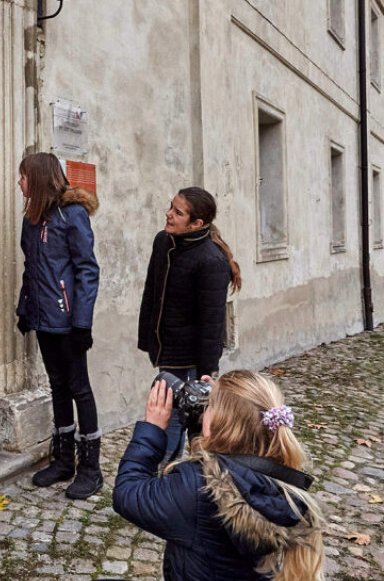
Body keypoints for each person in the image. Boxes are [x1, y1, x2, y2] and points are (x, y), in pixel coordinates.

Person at [113, 370, 324, 581]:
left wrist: (152, 428)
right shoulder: (280, 476)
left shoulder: (198, 489)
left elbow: (128, 493)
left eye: (210, 406)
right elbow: (225, 466)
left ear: (220, 424)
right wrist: (203, 427)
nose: (206, 409)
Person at [16, 152, 102, 499]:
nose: (19, 183)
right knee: (57, 386)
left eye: (23, 177)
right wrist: (25, 309)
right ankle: (64, 460)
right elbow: (32, 269)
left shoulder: (73, 215)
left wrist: (82, 322)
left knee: (79, 387)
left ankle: (91, 468)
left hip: (68, 322)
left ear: (37, 179)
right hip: (44, 319)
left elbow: (87, 270)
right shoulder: (32, 219)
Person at [138, 186, 241, 465]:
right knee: (168, 418)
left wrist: (208, 374)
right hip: (167, 353)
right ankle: (177, 478)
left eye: (178, 212)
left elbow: (212, 324)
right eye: (171, 207)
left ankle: (170, 479)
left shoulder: (211, 260)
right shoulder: (164, 242)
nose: (169, 214)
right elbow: (152, 293)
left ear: (197, 223)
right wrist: (148, 339)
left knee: (175, 422)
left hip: (190, 361)